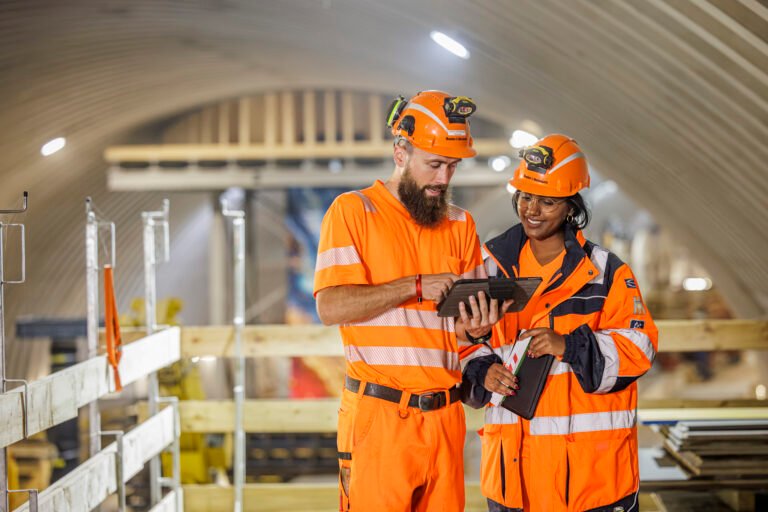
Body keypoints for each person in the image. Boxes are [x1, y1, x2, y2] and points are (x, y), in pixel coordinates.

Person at [314, 90, 505, 511]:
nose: (443, 179)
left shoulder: (460, 224)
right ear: (401, 153)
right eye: (434, 165)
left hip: (444, 420)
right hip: (380, 419)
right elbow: (331, 307)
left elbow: (463, 333)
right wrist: (414, 286)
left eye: (452, 167)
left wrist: (476, 329)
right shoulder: (353, 212)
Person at [460, 134, 658, 512]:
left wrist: (568, 345)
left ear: (571, 206)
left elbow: (639, 347)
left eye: (547, 201)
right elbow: (459, 343)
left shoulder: (605, 273)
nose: (532, 210)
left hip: (590, 482)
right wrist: (482, 369)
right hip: (512, 480)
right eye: (526, 197)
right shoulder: (488, 267)